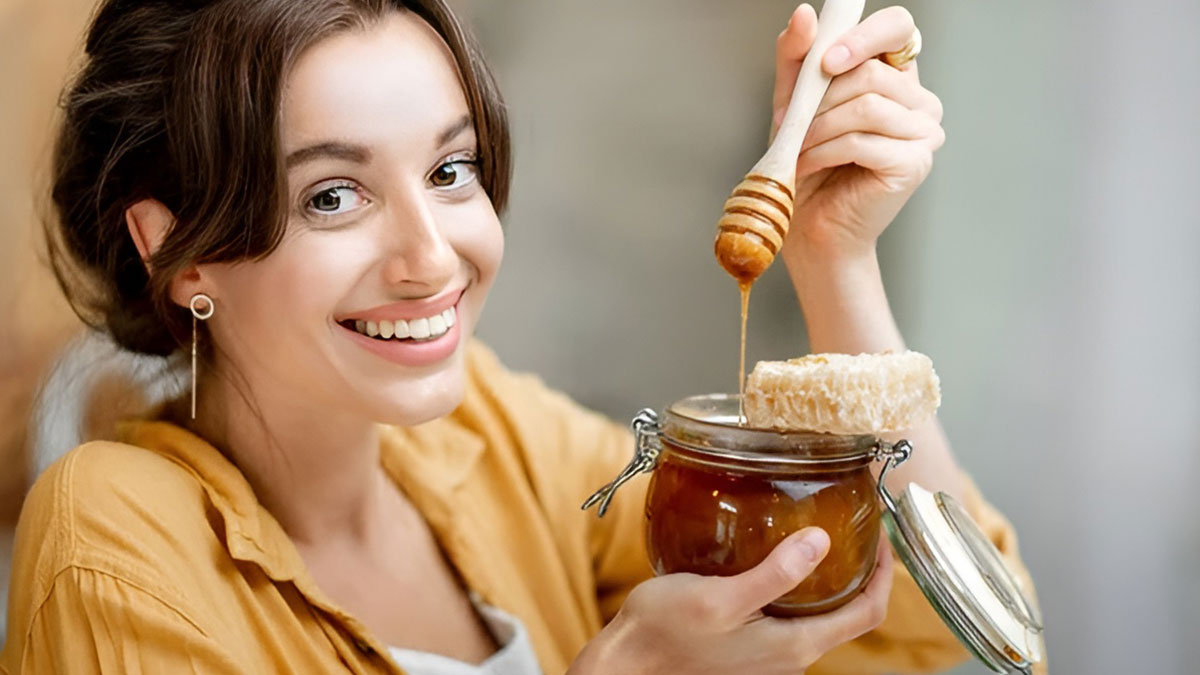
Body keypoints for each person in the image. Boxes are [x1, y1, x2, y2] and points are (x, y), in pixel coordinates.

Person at [1, 1, 1041, 673]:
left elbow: (948, 619)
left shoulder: (497, 441)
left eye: (450, 171)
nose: (432, 255)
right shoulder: (111, 541)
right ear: (176, 250)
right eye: (332, 195)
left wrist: (832, 257)